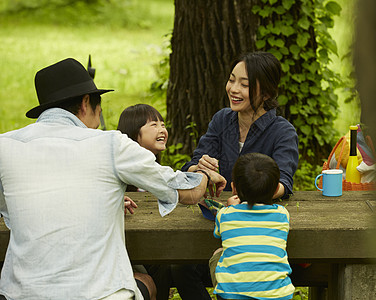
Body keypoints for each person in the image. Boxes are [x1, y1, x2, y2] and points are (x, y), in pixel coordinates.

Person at [0, 58, 226, 300]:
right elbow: (189, 193)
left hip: (21, 293)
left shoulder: (5, 146)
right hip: (100, 294)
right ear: (86, 102)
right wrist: (202, 173)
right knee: (146, 282)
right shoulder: (110, 144)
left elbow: (17, 211)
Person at [174, 51, 299, 299]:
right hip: (217, 227)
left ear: (267, 93)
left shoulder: (282, 131)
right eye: (232, 80)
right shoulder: (222, 120)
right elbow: (191, 165)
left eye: (245, 84)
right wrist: (201, 170)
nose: (234, 89)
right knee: (180, 269)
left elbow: (284, 182)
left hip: (261, 237)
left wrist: (250, 193)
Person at [210, 153, 295, 300]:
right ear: (276, 190)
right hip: (277, 295)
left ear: (234, 188)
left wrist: (230, 208)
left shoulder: (225, 215)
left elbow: (218, 234)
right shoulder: (282, 214)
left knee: (219, 253)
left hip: (232, 295)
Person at [117, 104, 174, 300]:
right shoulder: (122, 176)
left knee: (168, 266)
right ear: (134, 134)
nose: (162, 130)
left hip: (158, 245)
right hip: (129, 249)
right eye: (153, 125)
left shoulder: (163, 173)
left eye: (163, 124)